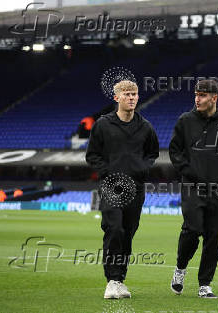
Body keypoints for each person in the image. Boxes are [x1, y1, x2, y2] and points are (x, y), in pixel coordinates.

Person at [169, 79, 218, 299]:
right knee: (192, 229)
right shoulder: (185, 121)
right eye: (196, 95)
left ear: (214, 98)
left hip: (217, 189)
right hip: (192, 186)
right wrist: (188, 172)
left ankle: (205, 284)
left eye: (202, 95)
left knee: (215, 235)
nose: (197, 99)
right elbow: (175, 151)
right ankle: (180, 268)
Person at [86, 80, 159, 299]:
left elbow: (152, 154)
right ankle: (111, 281)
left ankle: (120, 280)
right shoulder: (103, 125)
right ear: (116, 97)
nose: (132, 98)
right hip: (111, 186)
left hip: (135, 188)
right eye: (127, 94)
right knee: (114, 229)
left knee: (128, 233)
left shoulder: (145, 126)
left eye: (134, 94)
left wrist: (141, 169)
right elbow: (92, 155)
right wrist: (107, 172)